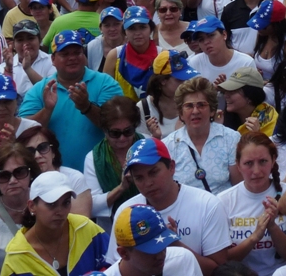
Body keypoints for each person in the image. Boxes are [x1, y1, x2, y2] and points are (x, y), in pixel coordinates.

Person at [109, 138, 231, 275]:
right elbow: (118, 267)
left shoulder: (208, 204)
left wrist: (170, 244)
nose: (148, 183)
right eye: (139, 177)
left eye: (153, 172)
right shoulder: (126, 212)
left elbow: (219, 272)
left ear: (172, 167)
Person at [18, 30, 124, 170]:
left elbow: (118, 126)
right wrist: (47, 110)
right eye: (65, 54)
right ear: (53, 59)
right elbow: (24, 134)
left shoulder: (106, 83)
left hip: (102, 172)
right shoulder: (39, 90)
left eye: (77, 52)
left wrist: (86, 107)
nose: (72, 58)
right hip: (55, 177)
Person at [1, 170, 109, 276]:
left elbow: (116, 265)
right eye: (51, 204)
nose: (60, 211)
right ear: (32, 206)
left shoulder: (87, 229)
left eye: (66, 203)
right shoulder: (15, 259)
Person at [215, 132, 286, 276]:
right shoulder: (223, 201)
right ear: (238, 165)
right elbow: (223, 261)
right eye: (248, 163)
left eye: (263, 161)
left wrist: (273, 227)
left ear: (273, 160)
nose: (256, 171)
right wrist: (255, 237)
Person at [164, 76, 241, 194]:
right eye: (189, 106)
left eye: (201, 105)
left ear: (212, 110)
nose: (195, 111)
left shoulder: (231, 139)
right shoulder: (168, 145)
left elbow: (239, 187)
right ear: (181, 113)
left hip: (224, 208)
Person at [0, 141, 42, 269]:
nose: (12, 181)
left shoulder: (48, 205)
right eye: (3, 176)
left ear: (31, 173)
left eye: (20, 172)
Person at [82, 96, 143, 228]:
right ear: (104, 130)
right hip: (113, 230)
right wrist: (121, 188)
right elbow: (91, 206)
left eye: (128, 131)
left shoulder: (149, 145)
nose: (122, 138)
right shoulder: (93, 158)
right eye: (115, 133)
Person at [103, 204, 203, 276]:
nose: (161, 255)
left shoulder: (182, 260)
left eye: (163, 245)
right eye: (150, 250)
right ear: (124, 253)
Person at [18, 126, 93, 217]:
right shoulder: (20, 183)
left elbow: (82, 223)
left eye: (43, 148)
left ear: (53, 152)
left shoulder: (74, 179)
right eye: (30, 151)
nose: (37, 155)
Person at [104, 6, 159, 100]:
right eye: (132, 28)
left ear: (151, 29)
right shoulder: (114, 55)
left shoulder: (162, 55)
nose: (137, 33)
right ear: (124, 32)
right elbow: (106, 92)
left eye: (142, 27)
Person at [184, 17, 255, 84]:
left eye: (210, 35)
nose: (206, 42)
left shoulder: (246, 63)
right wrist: (212, 91)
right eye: (201, 39)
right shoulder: (194, 63)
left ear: (224, 35)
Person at [217, 67, 278, 138]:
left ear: (250, 96)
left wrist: (257, 136)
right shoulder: (220, 118)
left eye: (232, 91)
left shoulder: (269, 120)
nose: (226, 95)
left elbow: (272, 148)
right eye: (225, 91)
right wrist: (216, 128)